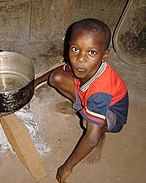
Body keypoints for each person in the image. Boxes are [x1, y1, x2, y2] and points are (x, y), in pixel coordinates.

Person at [34, 18, 129, 183]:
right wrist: (35, 83)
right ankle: (84, 109)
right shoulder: (81, 64)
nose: (80, 58)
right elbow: (60, 70)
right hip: (89, 97)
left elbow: (90, 137)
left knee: (90, 126)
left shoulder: (101, 91)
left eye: (91, 52)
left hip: (112, 114)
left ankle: (102, 133)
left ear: (104, 55)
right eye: (75, 49)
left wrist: (67, 167)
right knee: (55, 77)